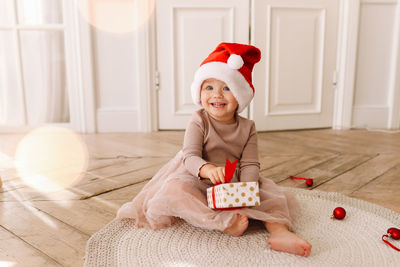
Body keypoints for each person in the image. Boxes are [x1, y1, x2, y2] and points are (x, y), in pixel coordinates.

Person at [117, 42, 312, 257]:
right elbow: (189, 156)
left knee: (273, 196)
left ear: (240, 95)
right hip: (198, 178)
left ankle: (279, 232)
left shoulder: (248, 127)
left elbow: (249, 163)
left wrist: (246, 188)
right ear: (199, 92)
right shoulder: (199, 120)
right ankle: (222, 222)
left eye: (227, 88)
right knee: (174, 190)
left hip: (234, 180)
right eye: (209, 87)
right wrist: (207, 169)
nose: (217, 95)